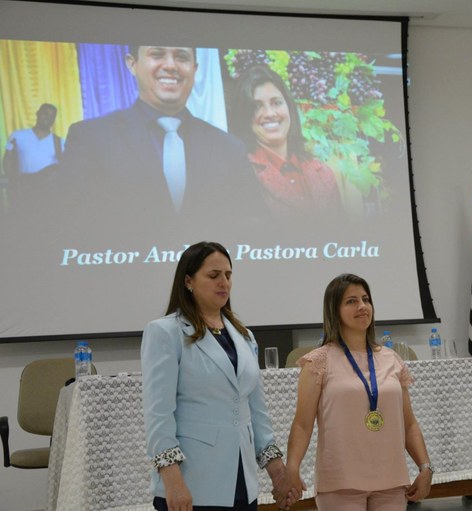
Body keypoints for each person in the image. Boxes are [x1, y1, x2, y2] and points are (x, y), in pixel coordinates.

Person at [141, 241, 300, 510]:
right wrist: (172, 480)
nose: (223, 282)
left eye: (228, 275)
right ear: (188, 281)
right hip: (193, 480)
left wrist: (277, 471)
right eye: (213, 275)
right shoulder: (165, 332)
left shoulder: (244, 336)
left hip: (242, 479)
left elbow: (256, 411)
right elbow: (158, 414)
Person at [273, 273, 432, 510]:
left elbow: (409, 423)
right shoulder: (318, 361)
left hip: (391, 480)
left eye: (366, 299)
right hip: (340, 483)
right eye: (351, 301)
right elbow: (302, 425)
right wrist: (292, 469)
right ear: (334, 310)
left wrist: (425, 467)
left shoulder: (392, 359)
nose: (362, 306)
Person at [58, 46, 263, 221]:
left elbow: (252, 222)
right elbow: (68, 221)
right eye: (157, 55)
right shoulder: (90, 138)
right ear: (132, 64)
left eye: (181, 57)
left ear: (195, 69)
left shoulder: (229, 147)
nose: (171, 65)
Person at [231, 65, 342, 218]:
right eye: (256, 106)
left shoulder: (323, 172)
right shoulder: (239, 174)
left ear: (289, 107)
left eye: (276, 103)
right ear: (244, 117)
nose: (269, 113)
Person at [3, 103, 63, 203]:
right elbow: (7, 159)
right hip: (23, 190)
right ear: (37, 113)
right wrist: (13, 180)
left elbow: (62, 166)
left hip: (47, 193)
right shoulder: (18, 136)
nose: (47, 118)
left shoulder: (59, 142)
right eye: (45, 113)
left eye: (51, 116)